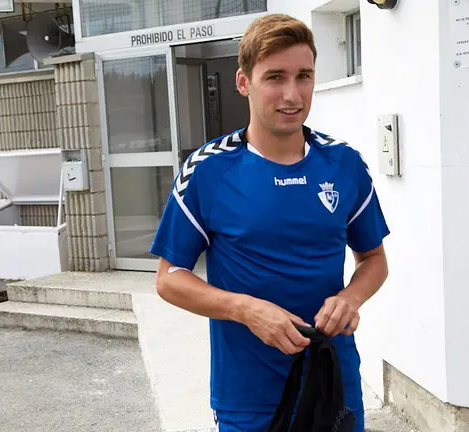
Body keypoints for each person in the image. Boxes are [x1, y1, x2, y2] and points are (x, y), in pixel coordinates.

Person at [150, 13, 390, 432]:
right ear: (244, 82)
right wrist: (244, 309)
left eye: (304, 76)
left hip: (334, 383)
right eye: (275, 77)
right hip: (250, 396)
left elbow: (374, 260)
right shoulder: (208, 170)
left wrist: (350, 299)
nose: (292, 94)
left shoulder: (344, 164)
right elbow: (170, 278)